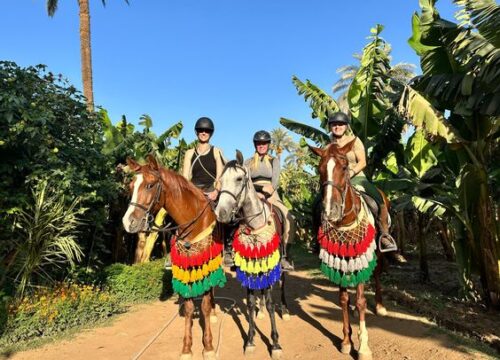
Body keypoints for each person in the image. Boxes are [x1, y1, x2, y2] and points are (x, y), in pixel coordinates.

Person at [326, 111, 397, 252]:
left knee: (377, 200)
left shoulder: (354, 140)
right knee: (318, 202)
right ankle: (319, 239)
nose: (337, 127)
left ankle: (384, 234)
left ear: (346, 126)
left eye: (340, 124)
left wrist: (351, 173)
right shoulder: (328, 145)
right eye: (334, 124)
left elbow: (363, 161)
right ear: (330, 127)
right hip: (335, 180)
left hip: (357, 176)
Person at [244, 130, 297, 271]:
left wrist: (269, 190)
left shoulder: (274, 160)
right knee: (236, 217)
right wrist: (255, 194)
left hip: (271, 193)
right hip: (252, 193)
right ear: (255, 145)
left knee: (289, 218)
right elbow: (246, 181)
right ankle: (233, 252)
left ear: (268, 145)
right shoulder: (248, 162)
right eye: (259, 143)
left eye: (264, 143)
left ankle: (285, 255)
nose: (261, 146)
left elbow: (275, 181)